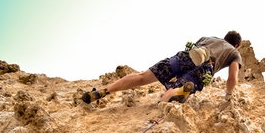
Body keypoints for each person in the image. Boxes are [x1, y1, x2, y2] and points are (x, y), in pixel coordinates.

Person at [82, 31, 243, 104]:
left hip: (184, 56)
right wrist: (228, 95)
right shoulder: (233, 53)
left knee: (142, 76)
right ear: (235, 45)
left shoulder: (209, 37)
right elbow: (232, 78)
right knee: (172, 92)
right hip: (204, 69)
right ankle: (177, 92)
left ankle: (104, 91)